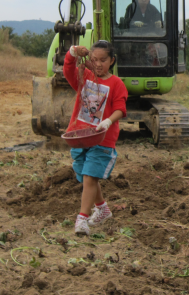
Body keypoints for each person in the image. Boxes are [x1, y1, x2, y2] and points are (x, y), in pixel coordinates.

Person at [63, 40, 128, 236]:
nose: (98, 64)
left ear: (112, 61)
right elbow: (68, 70)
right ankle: (102, 209)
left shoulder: (116, 84)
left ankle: (82, 219)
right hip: (81, 136)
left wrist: (107, 122)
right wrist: (72, 53)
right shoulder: (85, 76)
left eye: (103, 60)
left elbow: (120, 109)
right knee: (85, 176)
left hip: (102, 139)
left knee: (90, 177)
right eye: (94, 59)